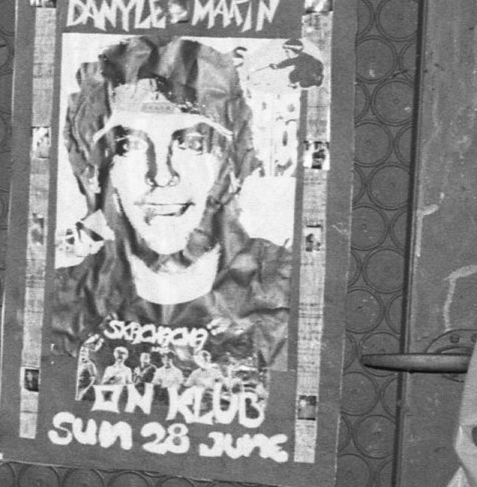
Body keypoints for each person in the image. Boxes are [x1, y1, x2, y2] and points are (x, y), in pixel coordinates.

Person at [42, 35, 293, 385]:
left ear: (232, 166)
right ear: (94, 173)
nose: (162, 175)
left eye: (191, 143)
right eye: (129, 145)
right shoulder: (56, 305)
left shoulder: (289, 292)